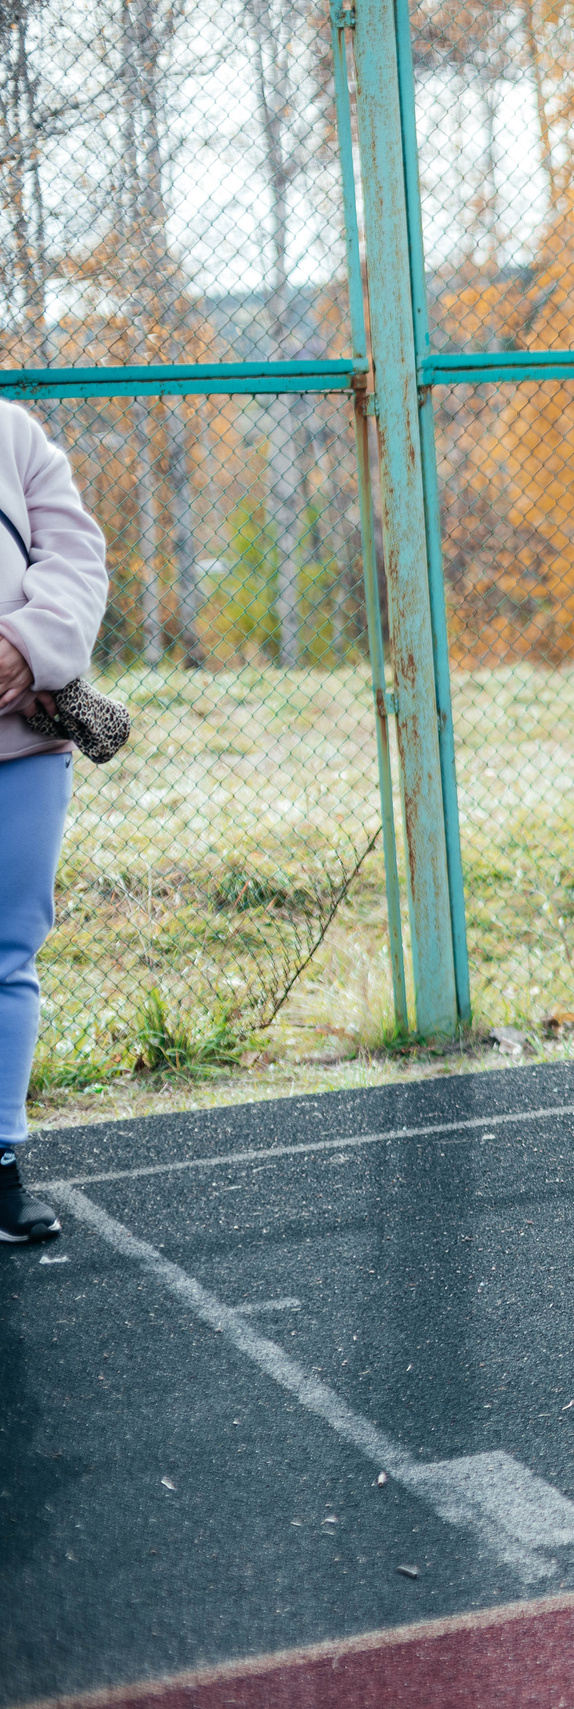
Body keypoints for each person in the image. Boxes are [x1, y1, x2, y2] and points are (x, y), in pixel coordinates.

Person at [0, 401, 108, 1245]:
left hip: (22, 744)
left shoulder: (13, 432)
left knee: (9, 952)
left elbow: (76, 557)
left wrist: (28, 645)